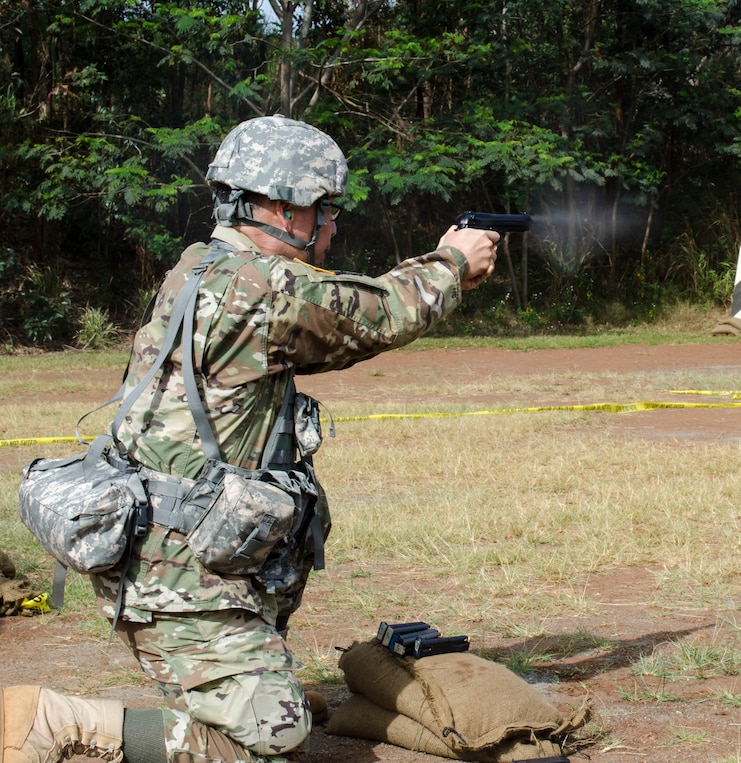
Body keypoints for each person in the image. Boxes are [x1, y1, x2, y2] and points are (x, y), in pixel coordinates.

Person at [1, 114, 499, 763]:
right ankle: (60, 721)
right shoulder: (259, 289)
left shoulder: (201, 267)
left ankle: (249, 684)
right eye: (324, 208)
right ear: (277, 207)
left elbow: (328, 329)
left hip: (165, 555)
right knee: (272, 740)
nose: (333, 224)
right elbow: (380, 312)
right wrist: (453, 261)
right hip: (177, 581)